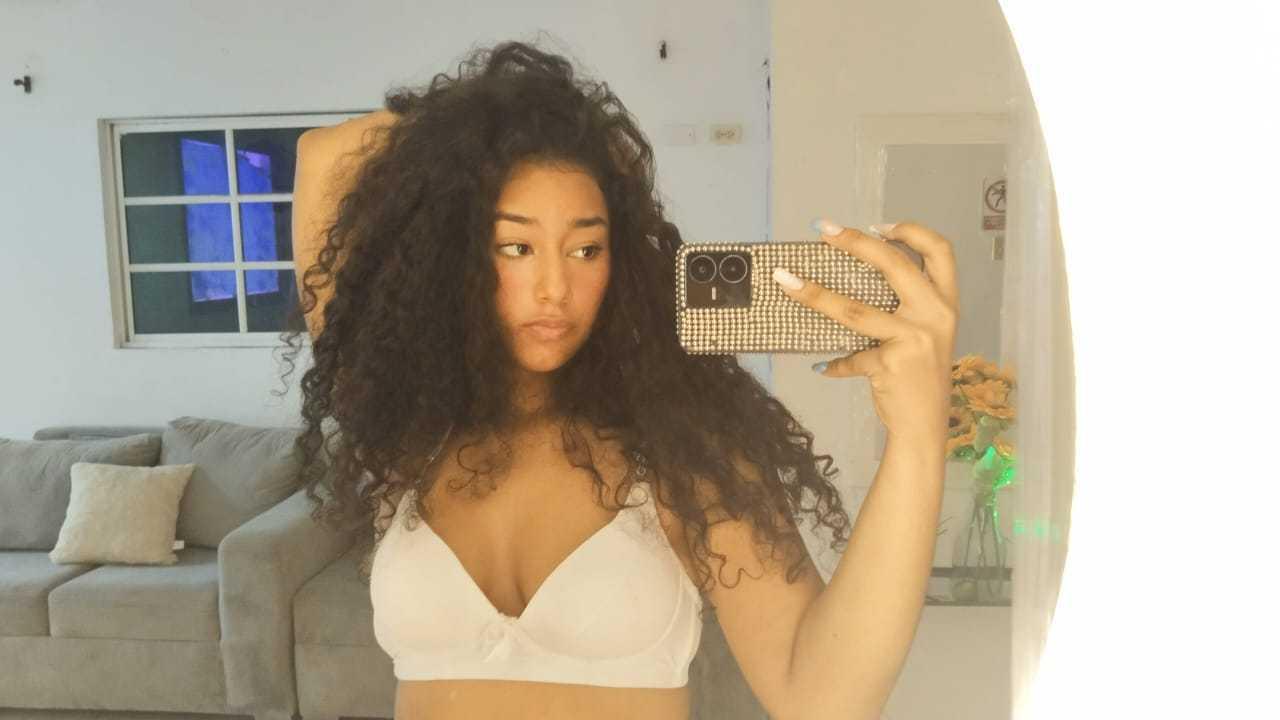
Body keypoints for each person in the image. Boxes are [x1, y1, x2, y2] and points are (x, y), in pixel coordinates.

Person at [277, 38, 957, 720]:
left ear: (622, 259)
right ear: (452, 253)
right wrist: (500, 125)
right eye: (516, 246)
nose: (555, 286)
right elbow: (323, 155)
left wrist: (917, 436)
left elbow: (824, 701)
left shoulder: (683, 451)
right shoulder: (410, 426)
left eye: (586, 248)